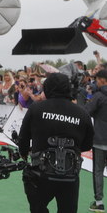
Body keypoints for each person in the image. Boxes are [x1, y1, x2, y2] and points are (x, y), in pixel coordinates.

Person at [18, 73, 94, 213]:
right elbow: (88, 144)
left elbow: (23, 137)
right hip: (70, 175)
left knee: (38, 208)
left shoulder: (36, 108)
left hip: (41, 174)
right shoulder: (82, 113)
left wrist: (23, 153)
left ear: (47, 88)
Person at [86, 69, 107, 212]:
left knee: (98, 171)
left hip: (100, 139)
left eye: (97, 79)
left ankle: (99, 202)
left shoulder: (99, 95)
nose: (95, 82)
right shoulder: (98, 95)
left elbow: (86, 111)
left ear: (102, 80)